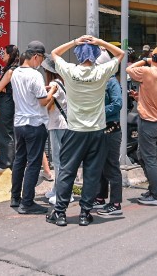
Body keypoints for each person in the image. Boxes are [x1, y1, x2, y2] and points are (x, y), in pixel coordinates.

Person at [46, 36, 124, 227]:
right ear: (96, 55)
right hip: (97, 130)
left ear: (79, 55)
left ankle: (61, 212)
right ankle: (84, 213)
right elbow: (120, 54)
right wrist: (99, 41)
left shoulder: (70, 71)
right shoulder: (101, 72)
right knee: (92, 173)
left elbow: (55, 53)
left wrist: (74, 42)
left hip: (74, 130)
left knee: (67, 170)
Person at [9, 41, 56, 215]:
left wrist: (43, 90)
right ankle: (27, 202)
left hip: (19, 123)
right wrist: (52, 90)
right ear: (36, 56)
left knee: (19, 160)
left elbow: (28, 93)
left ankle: (15, 198)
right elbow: (43, 101)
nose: (41, 63)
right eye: (41, 59)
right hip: (35, 124)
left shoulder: (15, 73)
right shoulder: (35, 75)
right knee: (34, 163)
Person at [126, 45, 157, 206]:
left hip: (148, 123)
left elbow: (129, 69)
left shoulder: (148, 71)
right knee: (142, 155)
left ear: (154, 57)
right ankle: (153, 189)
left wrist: (145, 60)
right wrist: (140, 98)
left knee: (149, 159)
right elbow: (154, 98)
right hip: (156, 121)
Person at [93, 58, 123, 216]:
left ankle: (116, 203)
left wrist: (99, 110)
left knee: (112, 166)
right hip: (102, 128)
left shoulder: (112, 82)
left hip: (112, 129)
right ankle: (100, 197)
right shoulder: (101, 81)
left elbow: (118, 103)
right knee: (101, 165)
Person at [42, 56, 68, 205]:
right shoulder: (60, 82)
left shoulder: (54, 84)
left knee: (59, 160)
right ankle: (56, 189)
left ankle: (61, 192)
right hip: (59, 124)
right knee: (59, 159)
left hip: (59, 125)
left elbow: (46, 102)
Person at [0, 45, 19, 171]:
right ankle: (4, 158)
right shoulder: (12, 69)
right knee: (6, 132)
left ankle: (6, 163)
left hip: (7, 103)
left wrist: (0, 87)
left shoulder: (10, 71)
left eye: (4, 53)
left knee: (5, 133)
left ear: (10, 55)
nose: (2, 55)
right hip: (8, 102)